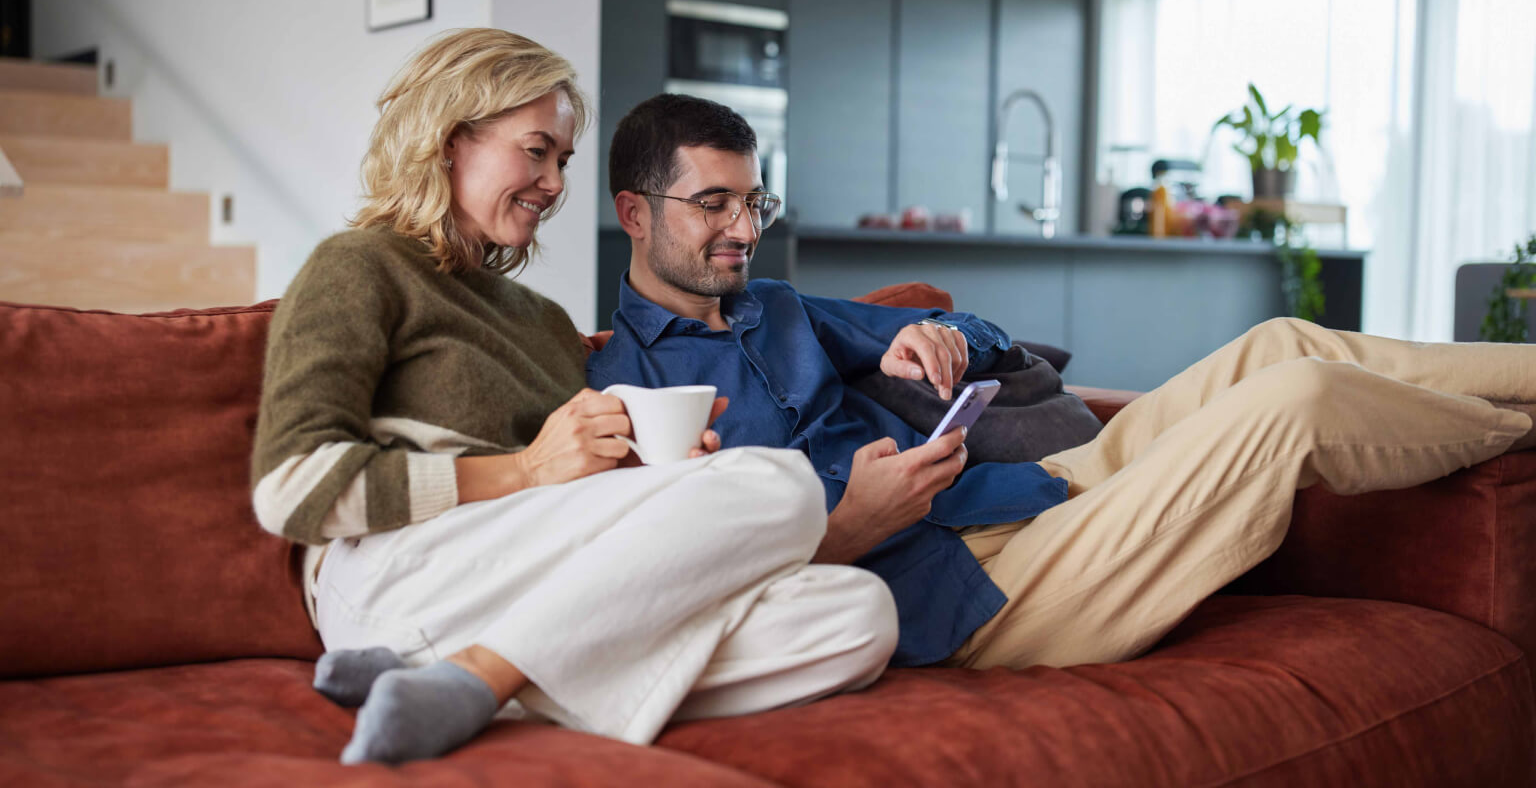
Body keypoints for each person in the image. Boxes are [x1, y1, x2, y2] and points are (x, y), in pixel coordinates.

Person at [587, 92, 1536, 672]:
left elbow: (989, 339)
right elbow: (692, 584)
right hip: (971, 597)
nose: (744, 230)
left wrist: (930, 332)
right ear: (635, 212)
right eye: (712, 204)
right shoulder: (623, 391)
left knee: (1281, 342)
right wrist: (850, 526)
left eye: (753, 202)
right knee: (1302, 401)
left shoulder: (780, 306)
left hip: (1032, 498)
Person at [251, 33, 897, 767]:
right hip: (394, 577)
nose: (555, 183)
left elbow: (567, 506)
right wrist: (523, 471)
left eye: (562, 159)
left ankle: (457, 678)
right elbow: (291, 488)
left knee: (856, 617)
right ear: (448, 140)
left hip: (518, 589)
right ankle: (479, 678)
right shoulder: (361, 267)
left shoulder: (545, 323)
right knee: (784, 484)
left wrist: (654, 479)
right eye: (535, 151)